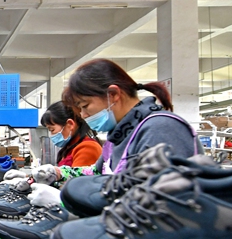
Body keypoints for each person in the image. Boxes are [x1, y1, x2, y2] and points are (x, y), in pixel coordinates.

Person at [38, 58, 199, 185]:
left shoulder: (161, 129)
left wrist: (63, 199)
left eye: (85, 106)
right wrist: (58, 173)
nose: (84, 115)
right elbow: (96, 172)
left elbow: (160, 200)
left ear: (113, 94)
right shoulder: (119, 136)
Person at [41, 101, 102, 167]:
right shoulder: (69, 148)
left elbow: (78, 176)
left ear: (70, 124)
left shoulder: (88, 147)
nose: (51, 135)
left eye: (52, 130)